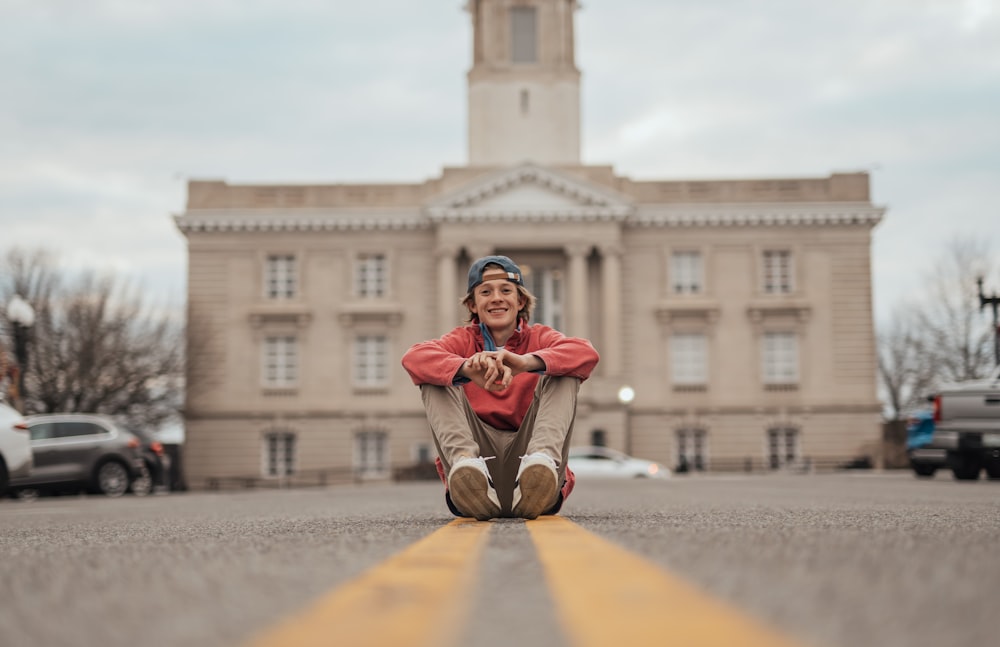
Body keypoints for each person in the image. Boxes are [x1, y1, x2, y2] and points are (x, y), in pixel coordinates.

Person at [401, 255, 600, 520]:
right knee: (434, 373)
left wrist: (527, 363)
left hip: (533, 470)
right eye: (486, 292)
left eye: (506, 291)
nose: (496, 298)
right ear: (473, 304)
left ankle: (541, 461)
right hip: (475, 479)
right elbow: (413, 358)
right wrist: (465, 369)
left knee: (564, 368)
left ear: (520, 302)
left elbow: (585, 352)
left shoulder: (540, 337)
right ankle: (464, 463)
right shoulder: (462, 341)